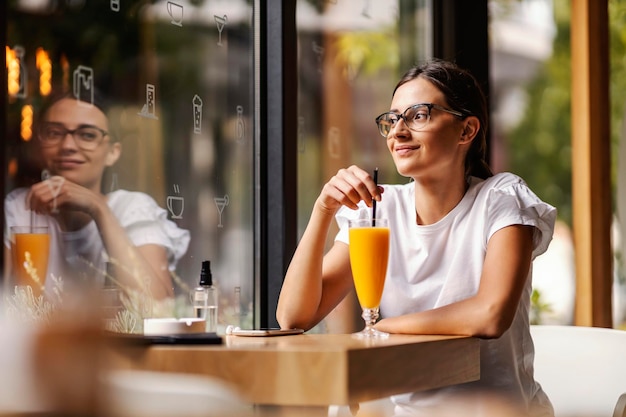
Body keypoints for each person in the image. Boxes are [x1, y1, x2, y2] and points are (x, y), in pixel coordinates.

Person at [276, 59, 556, 416]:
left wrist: (385, 327)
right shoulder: (379, 209)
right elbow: (293, 317)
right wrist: (323, 210)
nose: (398, 132)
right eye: (392, 119)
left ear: (467, 130)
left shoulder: (500, 199)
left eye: (418, 115)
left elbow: (490, 314)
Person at [4, 92, 190, 300]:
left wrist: (97, 208)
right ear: (39, 146)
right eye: (54, 133)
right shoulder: (20, 207)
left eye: (87, 135)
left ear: (112, 152)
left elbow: (158, 309)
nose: (68, 146)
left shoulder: (132, 209)